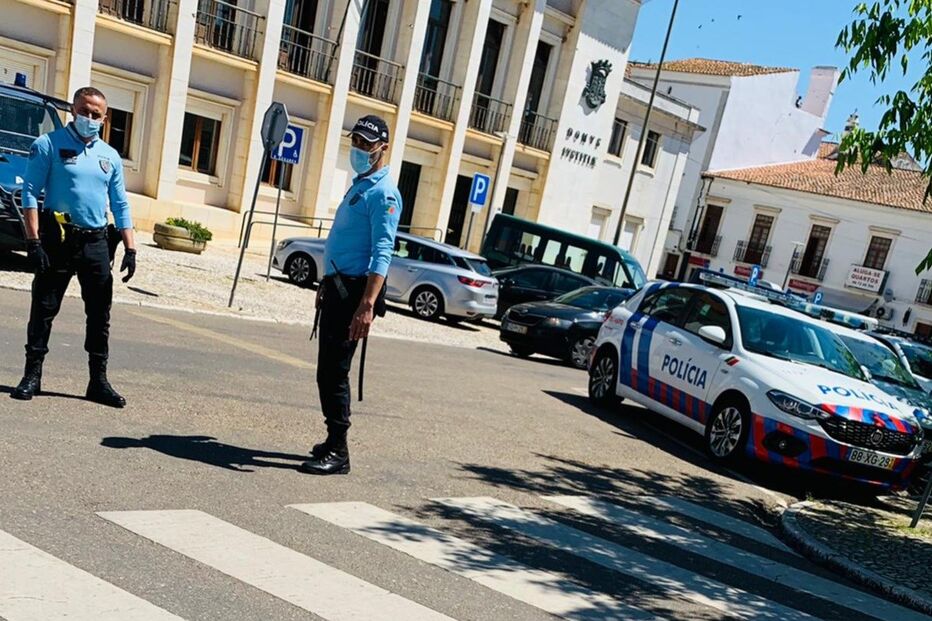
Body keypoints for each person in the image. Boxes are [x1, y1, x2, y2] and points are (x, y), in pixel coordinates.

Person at [11, 86, 136, 408]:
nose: (90, 118)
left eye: (97, 114)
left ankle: (98, 382)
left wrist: (130, 248)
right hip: (58, 239)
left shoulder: (110, 156)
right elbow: (30, 194)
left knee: (99, 314)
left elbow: (120, 204)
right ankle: (32, 376)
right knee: (44, 307)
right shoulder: (48, 144)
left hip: (96, 242)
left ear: (105, 118)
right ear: (74, 110)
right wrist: (33, 241)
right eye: (85, 111)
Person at [301, 115, 402, 476]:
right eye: (356, 141)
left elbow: (382, 252)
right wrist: (324, 284)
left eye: (366, 144)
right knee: (326, 370)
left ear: (382, 148)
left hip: (354, 295)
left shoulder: (383, 192)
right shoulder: (361, 184)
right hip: (337, 289)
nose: (358, 149)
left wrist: (367, 306)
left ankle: (339, 450)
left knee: (334, 372)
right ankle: (331, 441)